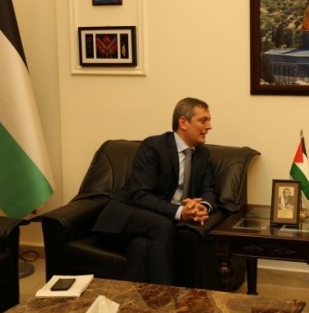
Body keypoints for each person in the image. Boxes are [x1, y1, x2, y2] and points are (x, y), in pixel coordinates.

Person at [92, 97, 216, 285]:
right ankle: (165, 295)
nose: (209, 126)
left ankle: (132, 299)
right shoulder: (153, 147)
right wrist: (180, 212)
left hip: (153, 222)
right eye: (203, 120)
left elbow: (208, 189)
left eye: (209, 121)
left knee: (141, 247)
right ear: (183, 122)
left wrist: (202, 207)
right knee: (163, 225)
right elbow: (140, 195)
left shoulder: (202, 154)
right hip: (125, 215)